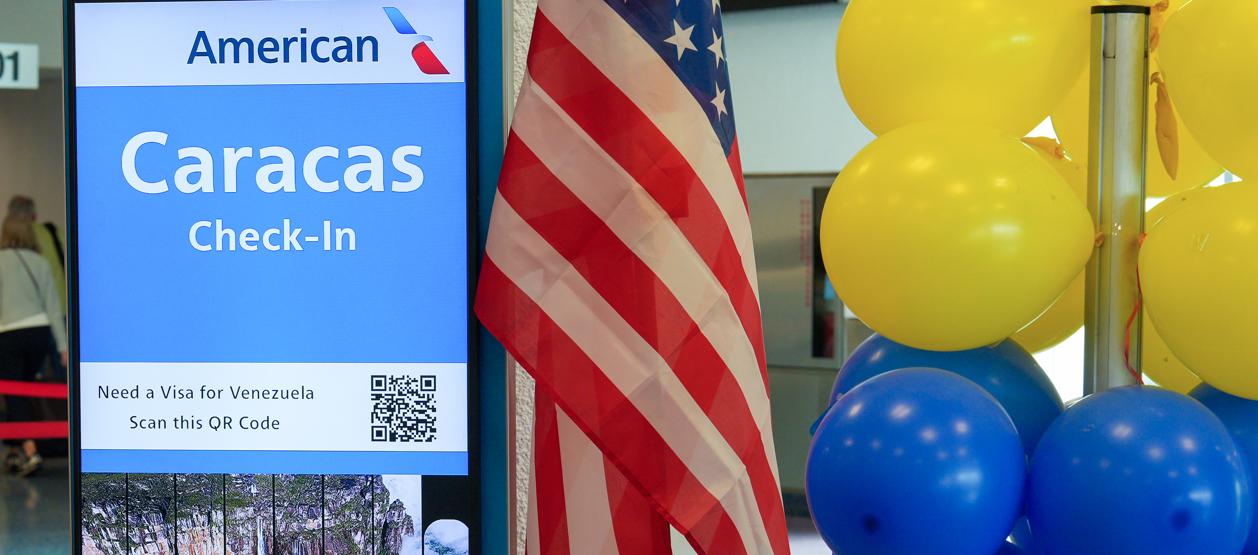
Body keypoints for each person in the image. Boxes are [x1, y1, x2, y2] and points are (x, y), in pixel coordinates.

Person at [0, 196, 68, 476]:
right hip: (39, 333)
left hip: (9, 334)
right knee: (28, 389)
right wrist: (63, 346)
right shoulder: (39, 262)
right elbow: (53, 305)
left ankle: (29, 449)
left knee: (13, 393)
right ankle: (15, 452)